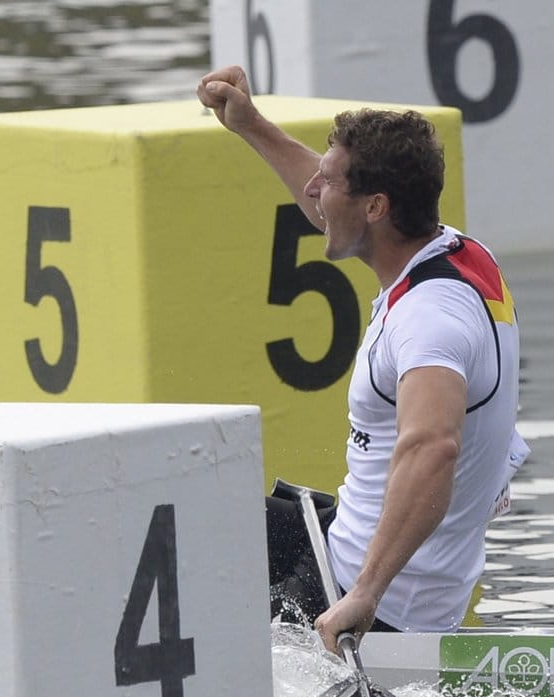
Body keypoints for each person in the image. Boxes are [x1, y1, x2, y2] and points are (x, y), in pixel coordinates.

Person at [196, 66, 529, 654]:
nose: (313, 192)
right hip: (344, 540)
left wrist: (366, 594)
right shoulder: (456, 252)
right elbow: (326, 195)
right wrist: (250, 126)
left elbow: (434, 447)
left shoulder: (429, 319)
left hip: (379, 604)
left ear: (376, 206)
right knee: (188, 520)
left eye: (328, 182)